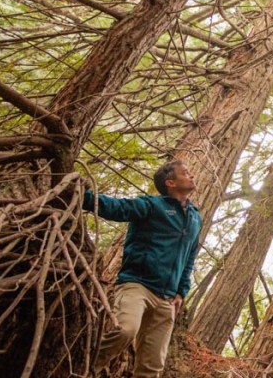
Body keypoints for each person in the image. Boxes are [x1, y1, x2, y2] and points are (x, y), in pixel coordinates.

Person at [84, 160, 201, 378]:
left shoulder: (195, 217)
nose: (191, 175)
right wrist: (85, 198)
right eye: (185, 173)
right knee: (126, 330)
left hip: (166, 299)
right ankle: (82, 369)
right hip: (137, 285)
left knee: (153, 365)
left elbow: (190, 256)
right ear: (170, 183)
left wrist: (181, 291)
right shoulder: (152, 205)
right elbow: (118, 208)